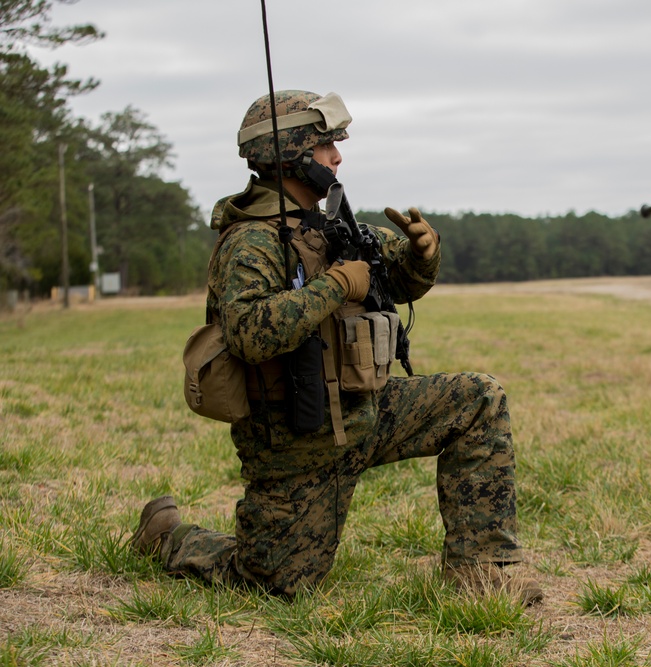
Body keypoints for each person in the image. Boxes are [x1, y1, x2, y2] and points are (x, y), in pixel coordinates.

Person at [130, 90, 541, 605]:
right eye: (326, 146)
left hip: (365, 414)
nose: (337, 157)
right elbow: (250, 333)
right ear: (291, 155)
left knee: (478, 398)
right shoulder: (249, 242)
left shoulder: (333, 228)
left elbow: (398, 279)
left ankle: (484, 572)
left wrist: (422, 254)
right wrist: (333, 288)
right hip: (296, 444)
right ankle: (167, 535)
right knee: (274, 584)